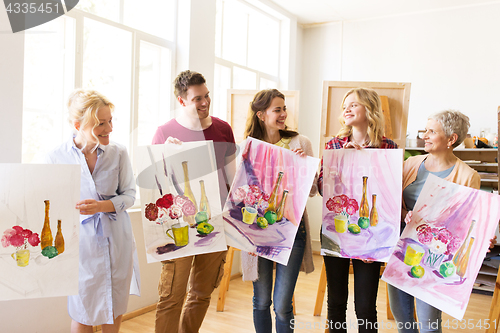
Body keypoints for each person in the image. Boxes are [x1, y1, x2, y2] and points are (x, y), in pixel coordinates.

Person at [46, 89, 140, 333]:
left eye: (110, 121)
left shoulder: (118, 153)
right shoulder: (56, 157)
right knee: (82, 311)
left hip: (117, 239)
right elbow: (49, 203)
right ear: (78, 125)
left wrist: (101, 206)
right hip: (80, 245)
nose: (109, 128)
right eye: (101, 123)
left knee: (114, 308)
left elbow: (129, 195)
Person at [152, 70, 236, 333]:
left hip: (217, 221)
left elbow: (233, 179)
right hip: (179, 225)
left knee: (201, 293)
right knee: (171, 296)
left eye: (207, 96)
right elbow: (155, 182)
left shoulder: (223, 129)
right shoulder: (165, 132)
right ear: (181, 101)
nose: (204, 102)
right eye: (197, 98)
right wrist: (165, 153)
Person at [387, 110, 481, 333]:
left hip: (435, 255)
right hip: (401, 247)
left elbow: (469, 223)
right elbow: (391, 204)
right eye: (425, 130)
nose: (425, 136)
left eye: (432, 131)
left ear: (451, 139)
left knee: (429, 323)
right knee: (403, 318)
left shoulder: (468, 176)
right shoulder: (411, 164)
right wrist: (404, 215)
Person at [317, 87, 398, 333]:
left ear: (370, 109)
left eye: (354, 104)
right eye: (345, 105)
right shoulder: (334, 145)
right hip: (336, 231)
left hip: (370, 232)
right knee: (336, 302)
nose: (347, 109)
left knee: (365, 306)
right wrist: (341, 163)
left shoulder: (388, 147)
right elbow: (323, 188)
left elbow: (391, 195)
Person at [241, 89, 317, 333]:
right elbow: (240, 193)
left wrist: (304, 167)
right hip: (257, 232)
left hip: (291, 232)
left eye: (284, 108)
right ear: (261, 115)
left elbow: (313, 190)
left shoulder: (300, 142)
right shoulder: (247, 147)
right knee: (261, 301)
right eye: (277, 109)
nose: (284, 114)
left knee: (283, 305)